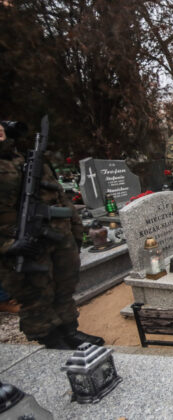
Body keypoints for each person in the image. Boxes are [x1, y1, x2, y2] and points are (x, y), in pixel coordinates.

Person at [0, 120, 103, 349]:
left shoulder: (25, 159)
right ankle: (52, 342)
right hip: (22, 243)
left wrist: (75, 229)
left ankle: (70, 332)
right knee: (36, 296)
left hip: (57, 236)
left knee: (64, 288)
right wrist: (7, 245)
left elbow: (58, 195)